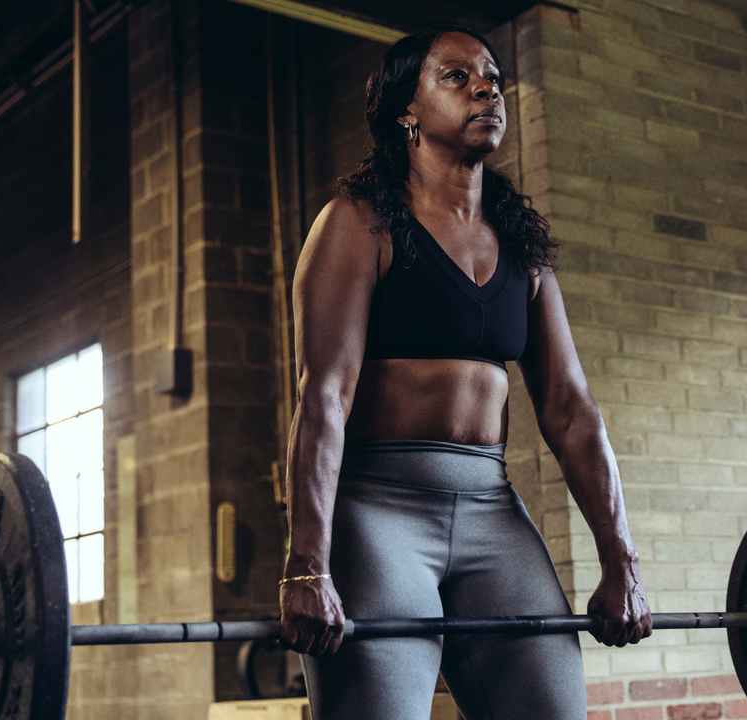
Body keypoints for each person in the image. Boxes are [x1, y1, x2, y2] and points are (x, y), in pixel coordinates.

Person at [278, 26, 652, 720]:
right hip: (376, 515)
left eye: (493, 77)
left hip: (491, 511)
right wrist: (308, 563)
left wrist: (619, 562)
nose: (486, 88)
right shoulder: (357, 225)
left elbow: (571, 411)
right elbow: (323, 398)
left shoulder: (523, 250)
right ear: (406, 111)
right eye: (457, 77)